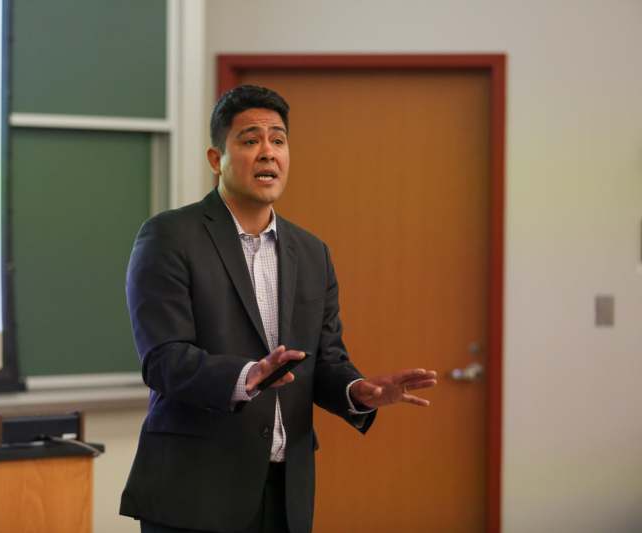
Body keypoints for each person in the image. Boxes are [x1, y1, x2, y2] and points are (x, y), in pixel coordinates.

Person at [120, 85, 437, 533]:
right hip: (195, 491)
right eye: (250, 140)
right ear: (217, 159)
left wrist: (357, 391)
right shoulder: (170, 236)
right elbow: (163, 359)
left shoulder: (312, 252)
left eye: (278, 140)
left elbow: (325, 360)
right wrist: (243, 377)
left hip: (286, 491)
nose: (267, 152)